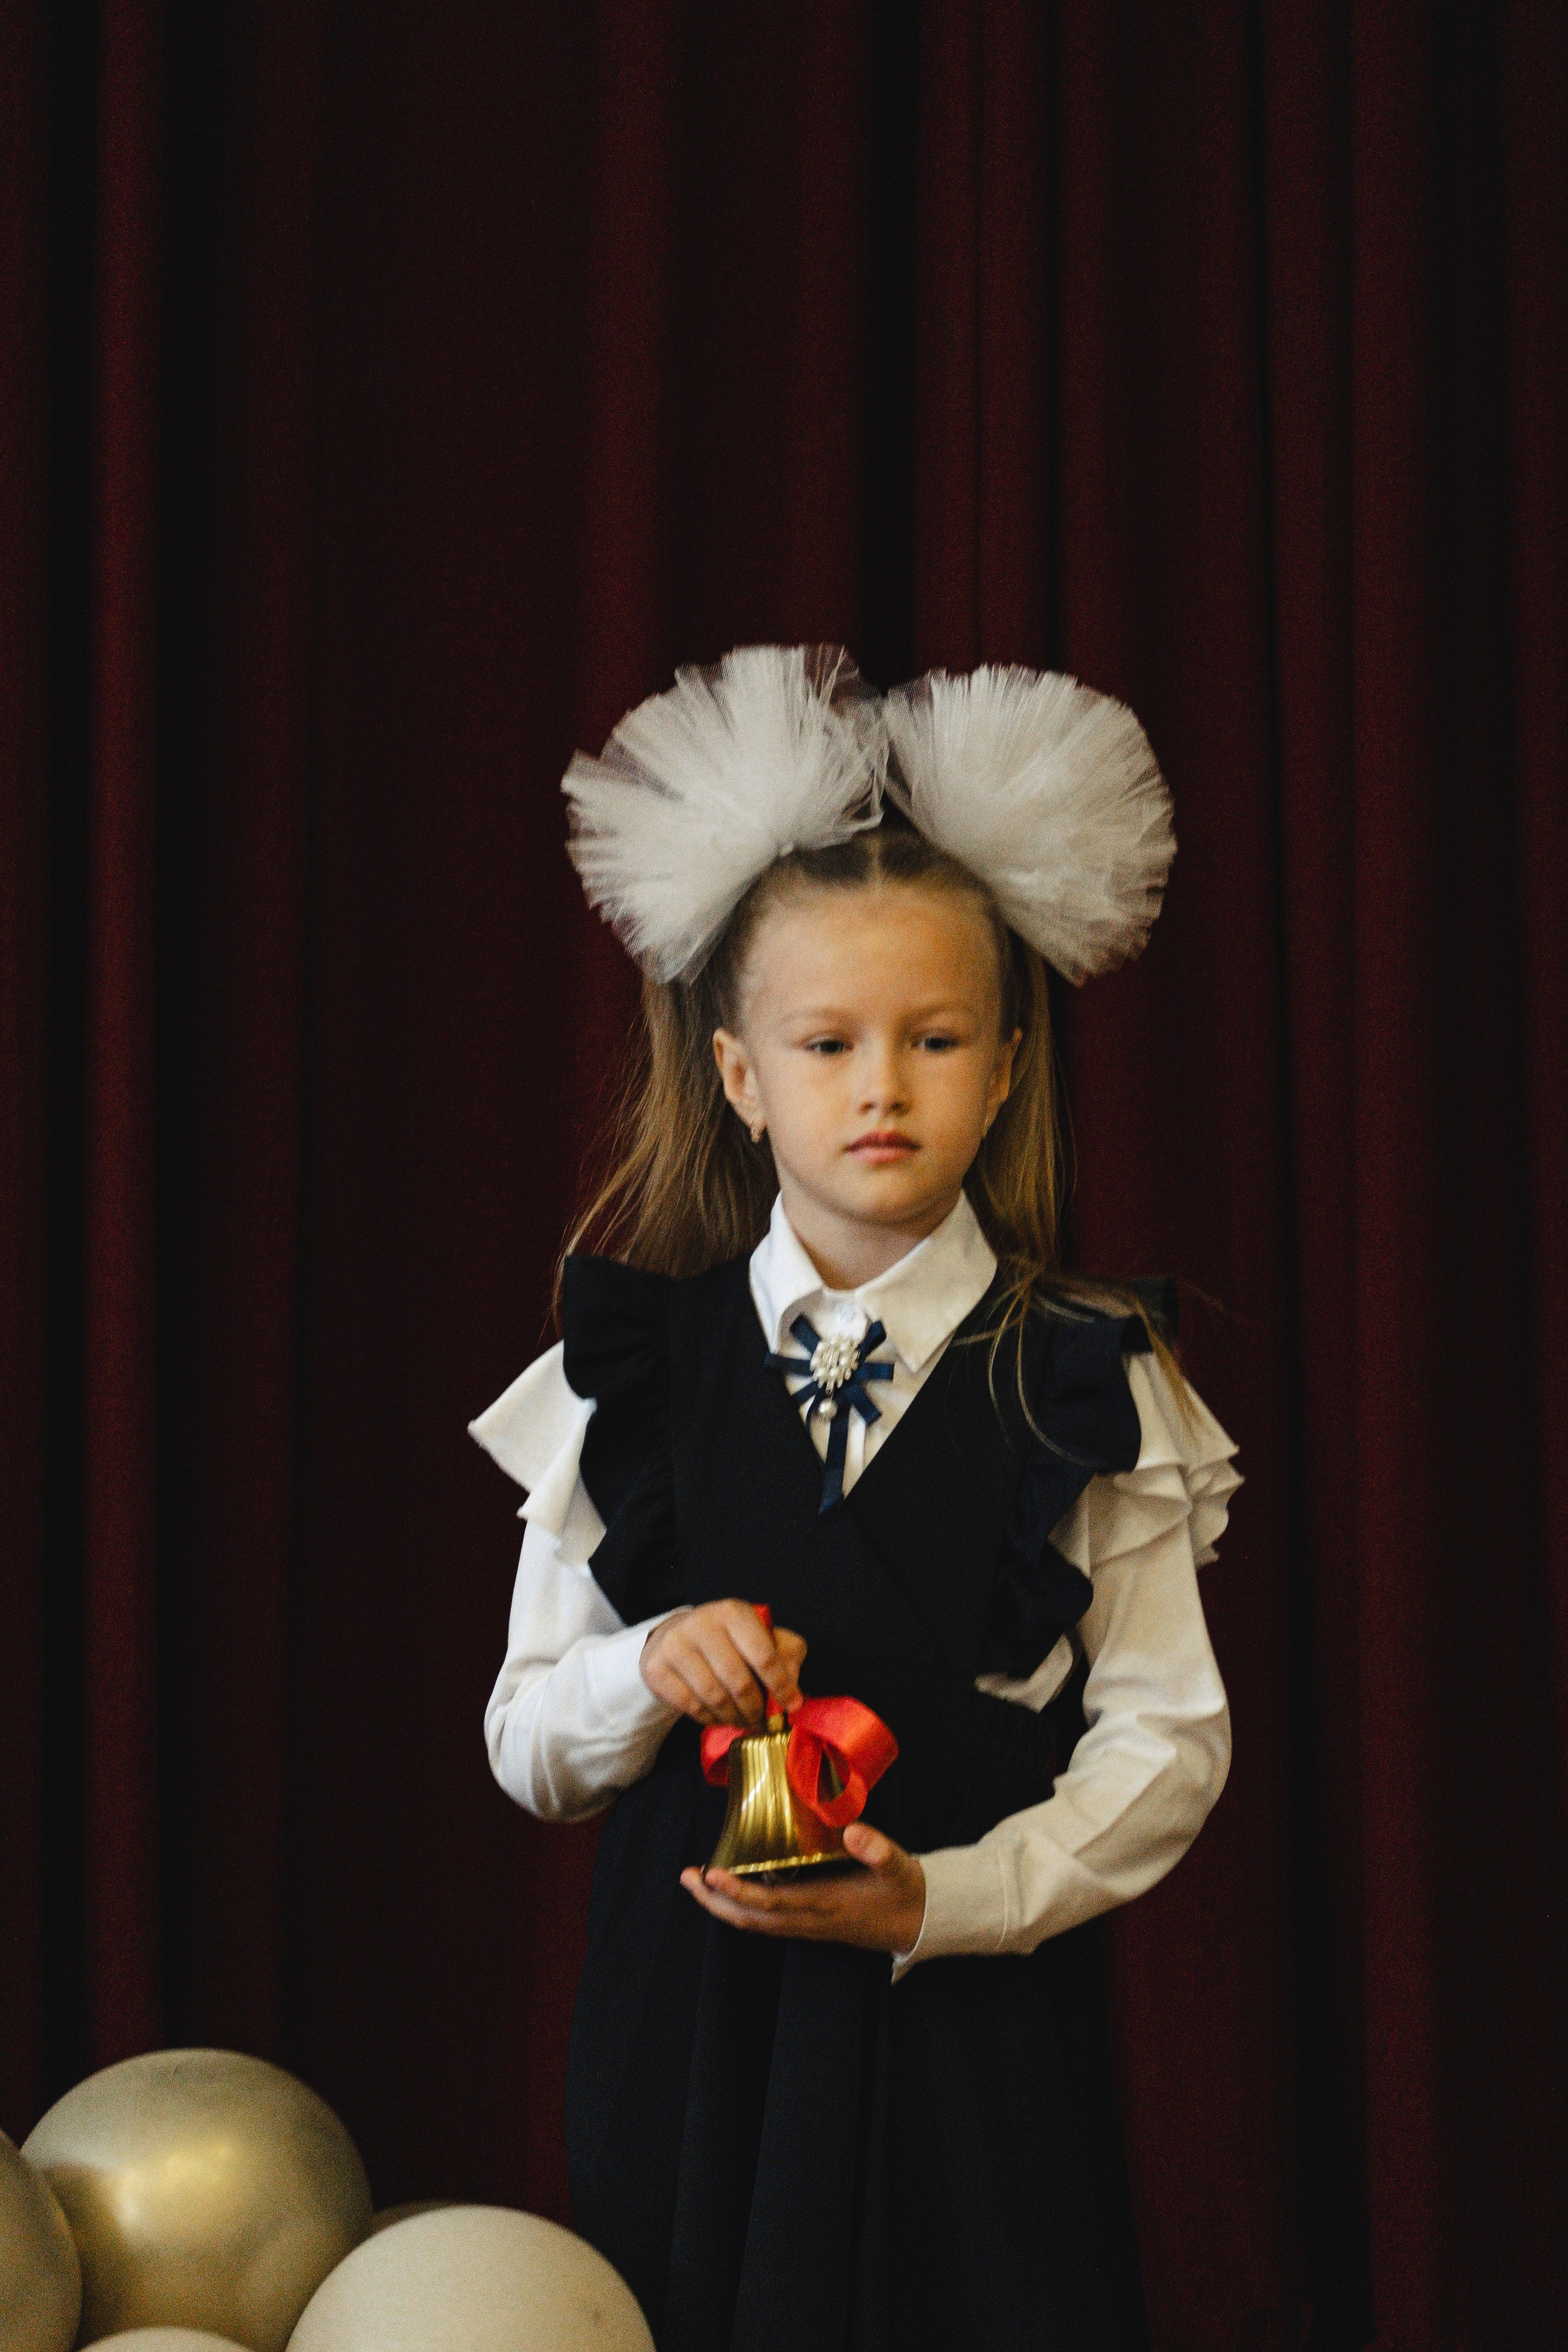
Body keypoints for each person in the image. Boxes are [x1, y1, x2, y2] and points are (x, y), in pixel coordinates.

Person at [472, 646, 1240, 2351]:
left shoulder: (1085, 1382)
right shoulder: (640, 1379)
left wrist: (944, 1905)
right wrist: (643, 1664)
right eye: (828, 1042)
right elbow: (527, 1744)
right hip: (690, 2062)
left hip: (971, 2069)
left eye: (934, 1036)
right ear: (746, 1078)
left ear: (1008, 1067)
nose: (880, 1084)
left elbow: (1170, 1741)